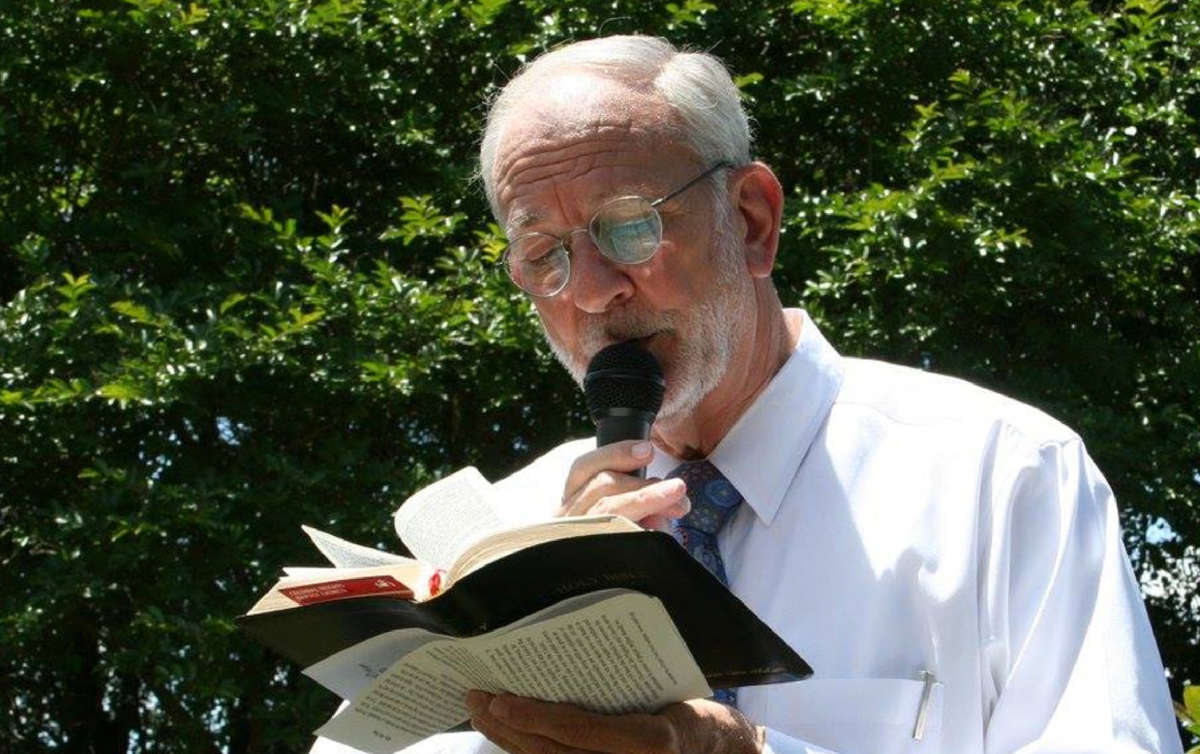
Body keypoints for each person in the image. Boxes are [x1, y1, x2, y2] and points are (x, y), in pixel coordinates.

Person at [315, 34, 1184, 754]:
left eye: (629, 225)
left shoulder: (1002, 478)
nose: (589, 291)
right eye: (543, 254)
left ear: (752, 221)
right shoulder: (502, 542)